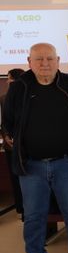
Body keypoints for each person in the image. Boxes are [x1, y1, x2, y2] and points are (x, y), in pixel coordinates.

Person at [2, 43, 68, 253]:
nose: (45, 63)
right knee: (33, 216)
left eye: (50, 58)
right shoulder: (19, 88)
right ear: (29, 61)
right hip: (31, 166)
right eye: (39, 59)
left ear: (58, 60)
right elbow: (8, 122)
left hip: (67, 163)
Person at [0, 68, 25, 217]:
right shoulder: (3, 98)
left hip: (27, 146)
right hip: (10, 147)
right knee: (15, 178)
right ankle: (20, 207)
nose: (7, 81)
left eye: (9, 78)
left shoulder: (30, 96)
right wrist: (6, 136)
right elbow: (3, 121)